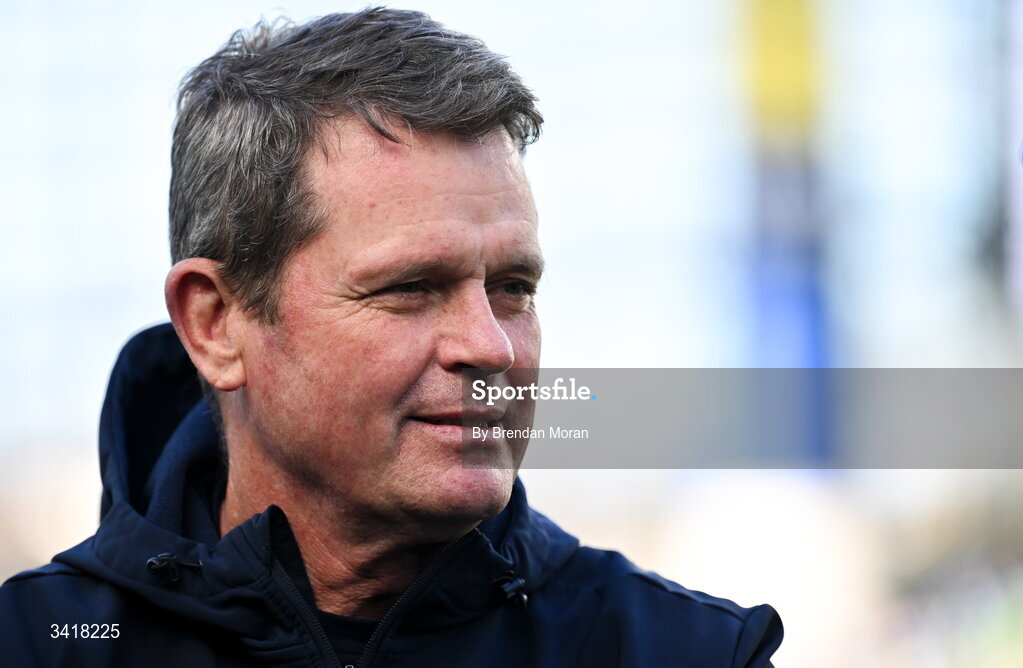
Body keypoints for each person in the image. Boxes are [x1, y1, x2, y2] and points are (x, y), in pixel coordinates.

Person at [0, 8, 782, 666]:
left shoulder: (685, 652)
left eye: (513, 288)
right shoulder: (38, 645)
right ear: (216, 325)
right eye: (410, 288)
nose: (491, 347)